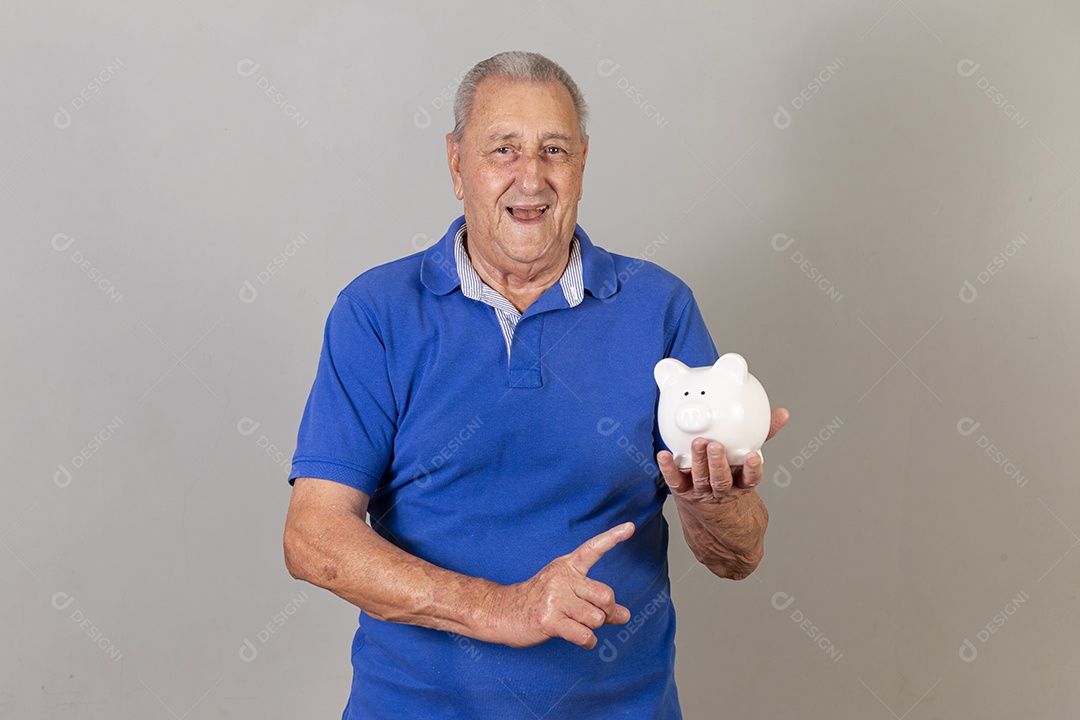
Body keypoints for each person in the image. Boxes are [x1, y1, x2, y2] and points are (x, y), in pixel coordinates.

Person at [284, 50, 789, 719]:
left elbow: (737, 557)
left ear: (582, 163)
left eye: (553, 150)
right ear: (456, 163)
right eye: (503, 149)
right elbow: (313, 538)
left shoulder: (658, 306)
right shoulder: (377, 310)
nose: (531, 177)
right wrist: (503, 608)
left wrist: (718, 506)